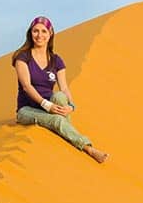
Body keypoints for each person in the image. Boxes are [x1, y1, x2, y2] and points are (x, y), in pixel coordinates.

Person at [12, 16, 108, 163]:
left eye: (44, 31)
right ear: (30, 33)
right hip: (27, 110)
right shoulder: (23, 57)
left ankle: (66, 138)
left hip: (50, 105)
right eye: (35, 31)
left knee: (60, 97)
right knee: (57, 120)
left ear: (50, 34)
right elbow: (27, 86)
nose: (39, 35)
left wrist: (71, 106)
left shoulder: (56, 60)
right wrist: (46, 105)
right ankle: (88, 148)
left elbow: (64, 88)